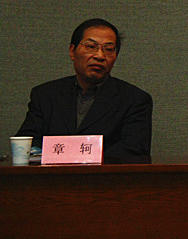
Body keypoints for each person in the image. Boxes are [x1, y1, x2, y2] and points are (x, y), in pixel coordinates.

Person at [16, 18, 153, 160]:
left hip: (105, 174)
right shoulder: (45, 95)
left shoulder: (134, 100)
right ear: (72, 51)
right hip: (52, 174)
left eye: (108, 49)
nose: (100, 56)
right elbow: (26, 144)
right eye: (91, 47)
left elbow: (134, 150)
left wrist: (80, 159)